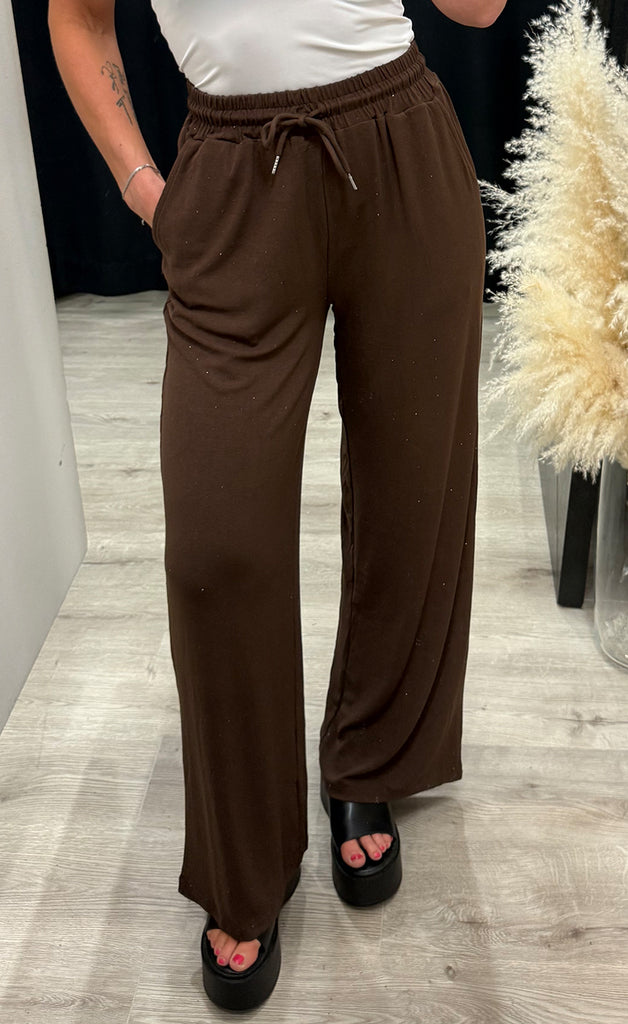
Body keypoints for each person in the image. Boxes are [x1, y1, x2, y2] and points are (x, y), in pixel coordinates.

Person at [48, 0, 506, 1011]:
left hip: (401, 145)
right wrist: (143, 186)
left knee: (413, 489)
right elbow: (76, 19)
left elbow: (479, 10)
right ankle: (242, 857)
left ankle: (369, 756)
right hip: (229, 172)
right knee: (217, 549)